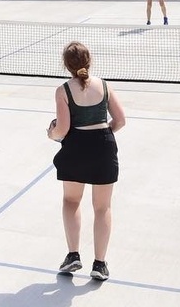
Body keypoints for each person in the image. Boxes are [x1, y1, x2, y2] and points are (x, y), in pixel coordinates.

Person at [47, 41, 125, 282]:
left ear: (66, 65)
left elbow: (63, 129)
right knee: (102, 207)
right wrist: (103, 133)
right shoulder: (104, 85)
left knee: (71, 201)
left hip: (76, 148)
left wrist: (51, 133)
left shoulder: (63, 90)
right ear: (89, 61)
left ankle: (73, 256)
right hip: (103, 146)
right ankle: (99, 265)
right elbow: (120, 120)